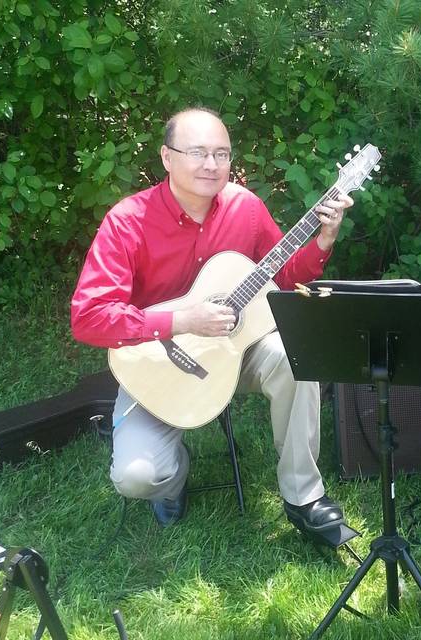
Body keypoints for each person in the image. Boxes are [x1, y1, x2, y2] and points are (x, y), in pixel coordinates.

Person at [71, 107, 354, 532]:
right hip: (159, 364)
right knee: (136, 476)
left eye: (222, 154)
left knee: (295, 355)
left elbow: (283, 276)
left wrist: (324, 240)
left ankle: (304, 496)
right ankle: (173, 479)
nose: (212, 164)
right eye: (198, 152)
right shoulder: (127, 221)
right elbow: (89, 318)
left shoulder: (246, 208)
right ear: (167, 158)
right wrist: (182, 321)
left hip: (236, 352)